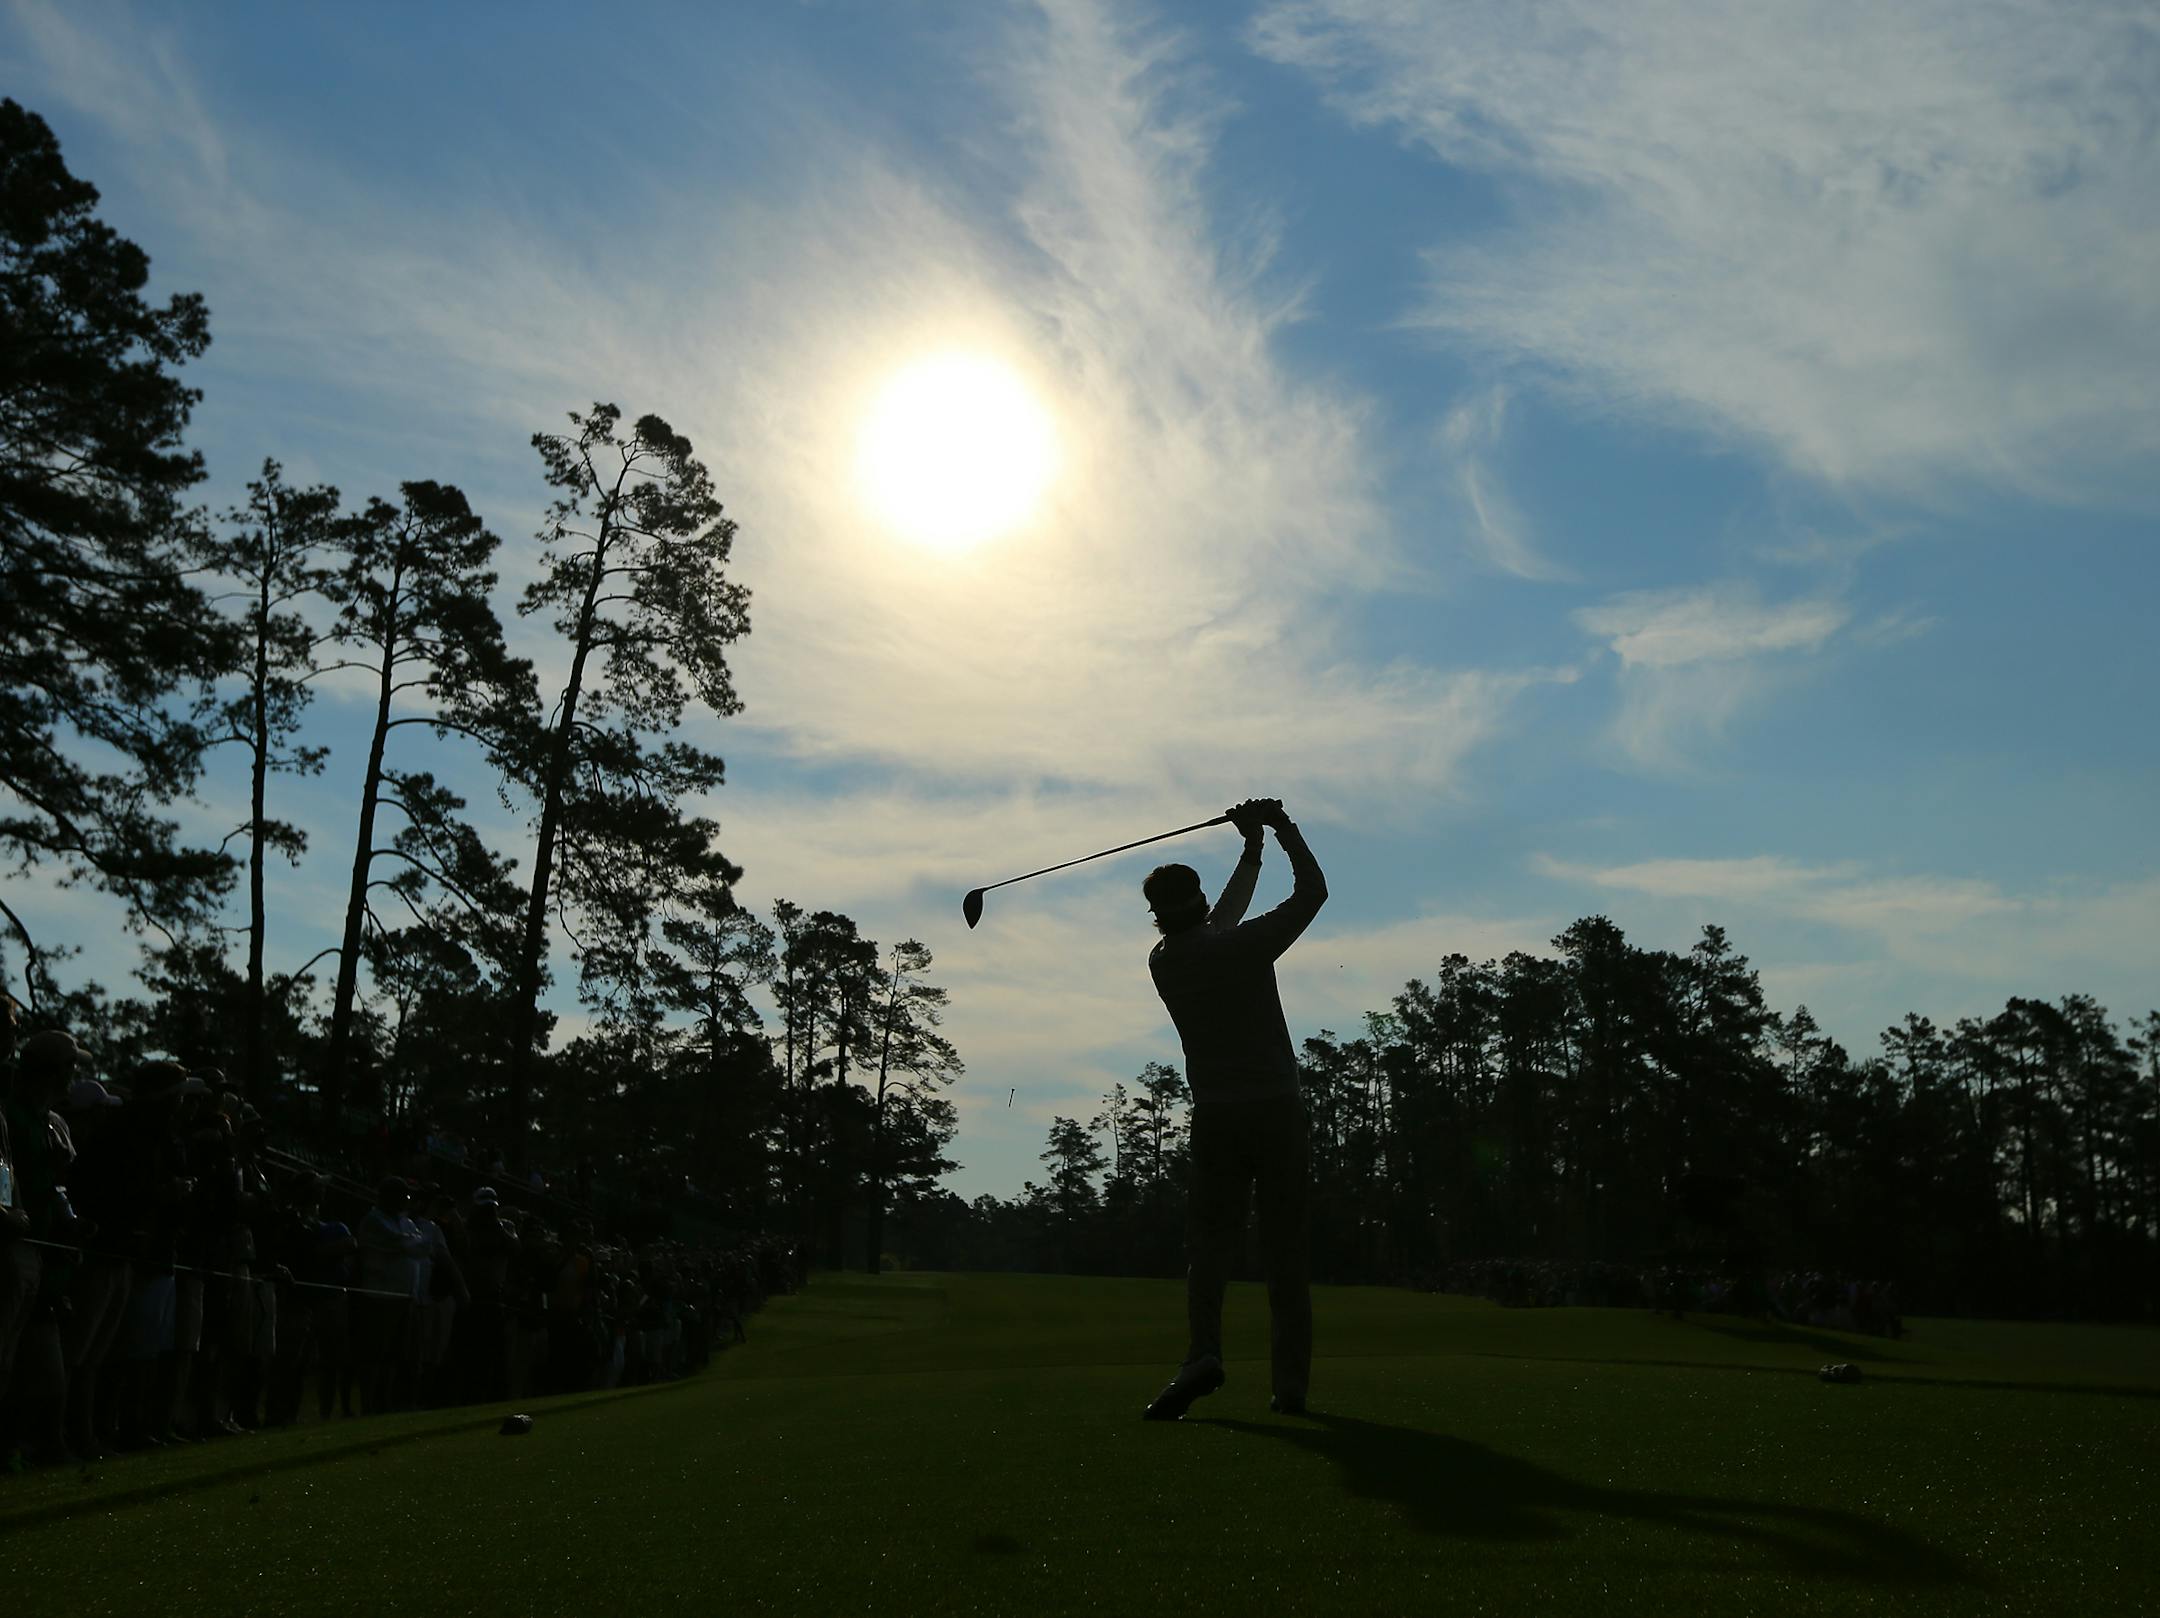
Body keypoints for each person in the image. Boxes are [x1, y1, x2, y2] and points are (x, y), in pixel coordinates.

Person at [1139, 797, 1327, 1422]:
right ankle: (1291, 1386)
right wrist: (1280, 827)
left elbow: (1217, 919)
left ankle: (1203, 1355)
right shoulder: (1242, 948)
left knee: (1211, 1247)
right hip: (1275, 1109)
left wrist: (1251, 848)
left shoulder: (1164, 961)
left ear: (1157, 916)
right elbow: (1313, 892)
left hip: (1215, 1115)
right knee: (1284, 1250)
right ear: (1196, 902)